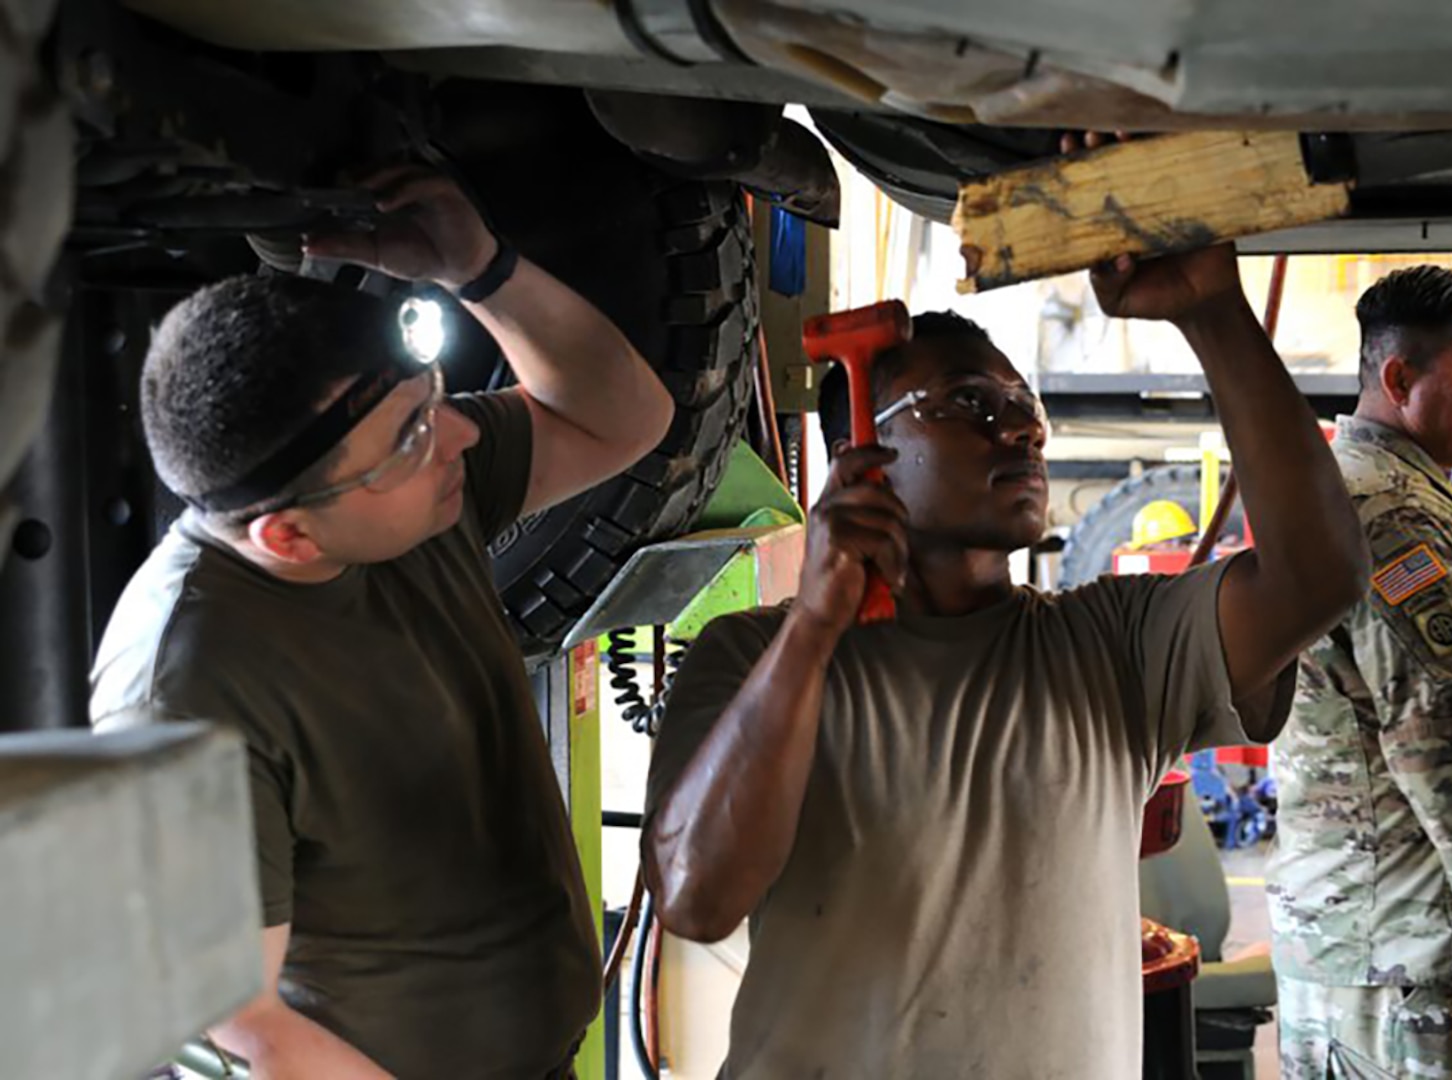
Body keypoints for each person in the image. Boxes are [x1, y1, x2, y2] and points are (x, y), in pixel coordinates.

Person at [640, 241, 1368, 1079]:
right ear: (860, 451)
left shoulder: (1113, 645)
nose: (1021, 427)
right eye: (968, 402)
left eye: (1022, 404)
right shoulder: (752, 658)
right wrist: (812, 626)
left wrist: (1213, 313)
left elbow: (1319, 574)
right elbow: (696, 898)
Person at [90, 166, 675, 1079]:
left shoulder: (398, 491)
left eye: (433, 397)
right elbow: (238, 1023)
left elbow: (625, 417)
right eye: (413, 434)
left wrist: (480, 272)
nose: (461, 436)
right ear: (285, 535)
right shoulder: (183, 687)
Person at [1267, 265, 1452, 1078]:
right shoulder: (1392, 519)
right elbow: (1449, 750)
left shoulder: (1370, 490)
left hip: (1369, 953)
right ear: (1399, 379)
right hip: (1405, 967)